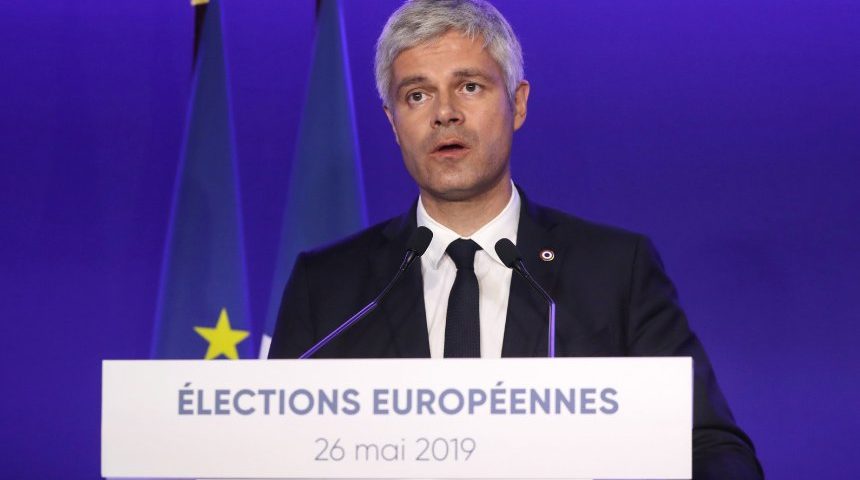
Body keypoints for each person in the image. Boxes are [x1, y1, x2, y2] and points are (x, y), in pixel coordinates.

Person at [270, 0, 763, 477]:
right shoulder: (327, 286)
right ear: (393, 123)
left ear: (518, 103)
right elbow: (274, 452)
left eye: (469, 86)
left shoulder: (614, 271)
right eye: (417, 95)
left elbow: (710, 446)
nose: (445, 113)